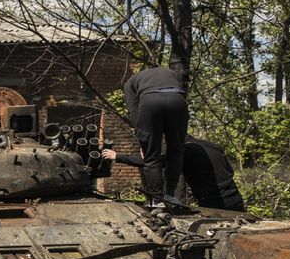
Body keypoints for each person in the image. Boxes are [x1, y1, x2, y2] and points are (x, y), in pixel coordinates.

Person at [102, 135, 245, 211]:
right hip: (235, 199)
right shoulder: (212, 146)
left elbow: (154, 163)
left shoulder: (184, 151)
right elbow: (230, 171)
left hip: (215, 204)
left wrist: (117, 156)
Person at [123, 65, 188, 207]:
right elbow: (181, 91)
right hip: (177, 101)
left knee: (151, 156)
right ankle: (170, 195)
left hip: (150, 102)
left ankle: (157, 200)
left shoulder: (132, 80)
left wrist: (143, 138)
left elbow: (132, 111)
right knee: (176, 150)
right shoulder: (171, 73)